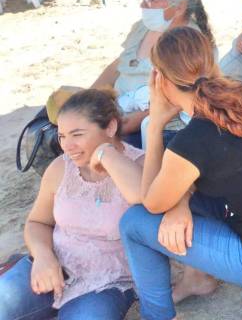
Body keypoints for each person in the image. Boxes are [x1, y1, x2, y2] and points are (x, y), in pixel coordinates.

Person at [118, 27, 242, 318]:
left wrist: (156, 123)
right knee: (174, 176)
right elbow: (211, 161)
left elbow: (150, 202)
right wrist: (181, 203)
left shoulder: (193, 142)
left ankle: (156, 314)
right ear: (211, 64)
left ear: (160, 81)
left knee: (134, 223)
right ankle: (196, 279)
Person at [0, 89, 144, 319]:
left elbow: (141, 196)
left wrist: (107, 155)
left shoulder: (140, 164)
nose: (67, 146)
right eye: (62, 136)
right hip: (51, 268)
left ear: (110, 127)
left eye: (77, 134)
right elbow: (37, 222)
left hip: (107, 284)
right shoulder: (60, 167)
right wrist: (43, 256)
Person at [91, 0, 215, 148]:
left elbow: (179, 102)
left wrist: (121, 125)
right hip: (117, 112)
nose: (143, 5)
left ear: (179, 7)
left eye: (151, 0)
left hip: (155, 126)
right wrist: (88, 97)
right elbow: (118, 66)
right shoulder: (142, 28)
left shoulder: (189, 43)